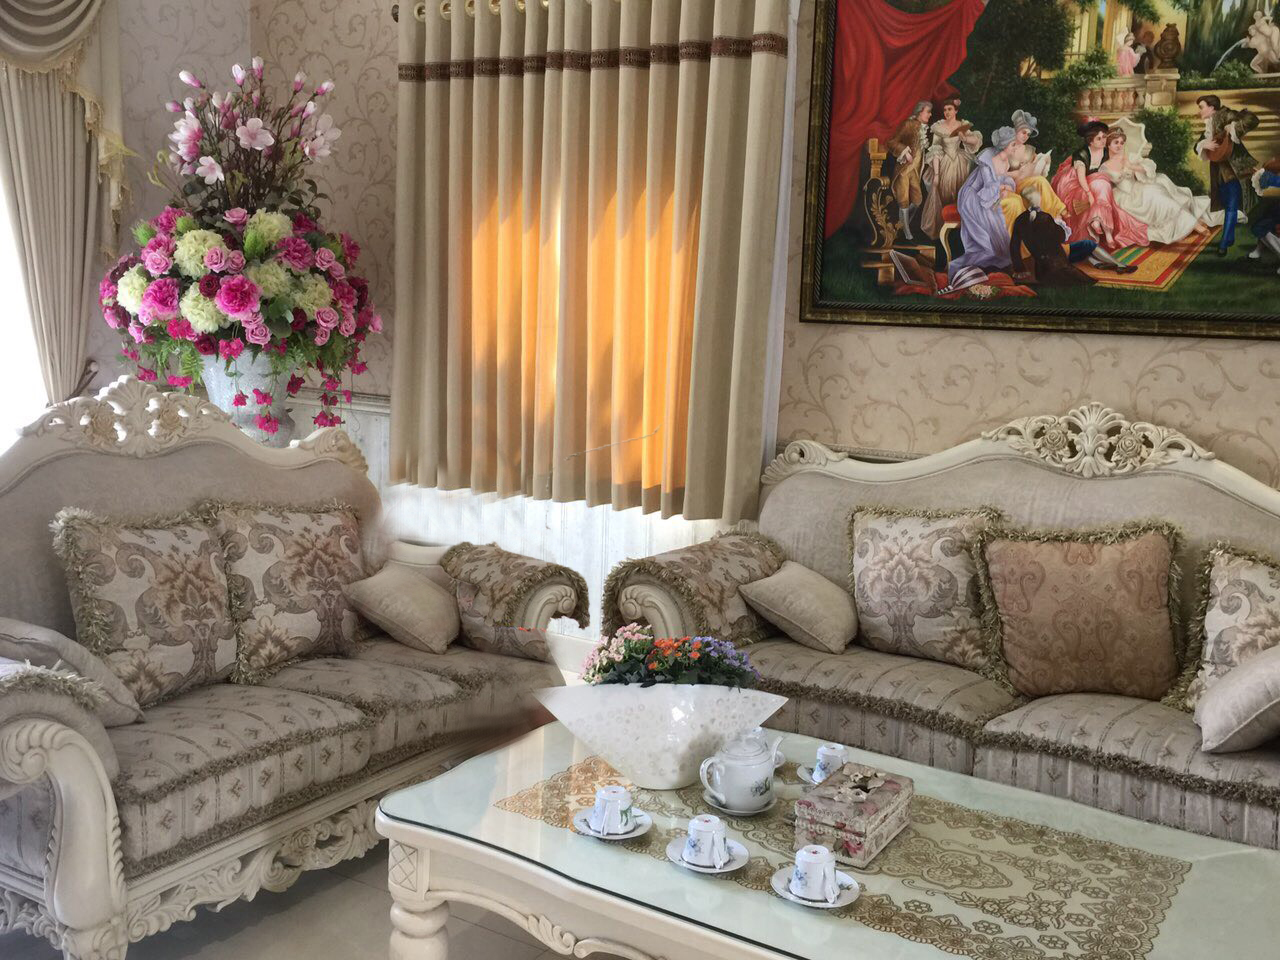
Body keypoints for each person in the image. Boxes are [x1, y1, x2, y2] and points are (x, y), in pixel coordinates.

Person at [1102, 128, 1221, 245]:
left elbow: (1149, 167)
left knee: (1160, 196)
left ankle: (1193, 223)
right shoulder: (1104, 167)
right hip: (1126, 197)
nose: (1119, 145)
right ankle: (1194, 223)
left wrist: (1131, 166)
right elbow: (1105, 186)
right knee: (1157, 200)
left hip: (1139, 188)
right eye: (1116, 142)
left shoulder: (1129, 157)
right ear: (1108, 144)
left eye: (1122, 142)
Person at [1009, 184, 1135, 286]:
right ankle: (1120, 265)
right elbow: (1061, 238)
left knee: (1083, 247)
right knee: (1088, 244)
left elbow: (1014, 246)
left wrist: (1019, 268)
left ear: (1025, 202)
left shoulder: (1020, 220)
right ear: (1039, 200)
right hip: (1058, 265)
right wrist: (1059, 224)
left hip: (1041, 271)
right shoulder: (1045, 218)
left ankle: (1097, 263)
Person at [1051, 120, 1148, 250]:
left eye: (1104, 137)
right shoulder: (1081, 154)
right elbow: (1081, 178)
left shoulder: (1106, 152)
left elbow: (1116, 163)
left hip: (1097, 181)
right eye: (1099, 138)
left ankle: (1101, 226)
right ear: (1090, 141)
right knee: (1101, 185)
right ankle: (1102, 228)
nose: (1103, 141)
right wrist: (1088, 194)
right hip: (1077, 184)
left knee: (1103, 184)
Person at [947, 126, 1020, 279]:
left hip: (988, 197)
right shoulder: (988, 160)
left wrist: (1006, 186)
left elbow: (1005, 180)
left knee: (1000, 239)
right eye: (1013, 144)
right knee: (986, 242)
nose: (1016, 147)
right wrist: (1001, 188)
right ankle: (960, 268)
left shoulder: (1006, 161)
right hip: (972, 197)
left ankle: (995, 271)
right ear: (1005, 145)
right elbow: (988, 188)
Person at [1195, 95, 1260, 256]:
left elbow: (1252, 119)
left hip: (1234, 171)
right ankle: (1229, 238)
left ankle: (1223, 244)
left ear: (1211, 107)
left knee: (1231, 206)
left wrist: (1234, 127)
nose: (1199, 111)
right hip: (1219, 173)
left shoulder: (1226, 115)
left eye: (1201, 107)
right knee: (1226, 205)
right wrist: (1204, 144)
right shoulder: (1208, 126)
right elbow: (1196, 146)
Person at [919, 98, 983, 239]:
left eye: (950, 109)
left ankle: (961, 230)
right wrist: (936, 174)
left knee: (961, 193)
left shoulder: (962, 125)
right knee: (943, 192)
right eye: (945, 110)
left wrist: (965, 139)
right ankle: (944, 227)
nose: (947, 112)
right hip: (944, 163)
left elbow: (975, 140)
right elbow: (935, 150)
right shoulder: (939, 127)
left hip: (960, 163)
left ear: (956, 111)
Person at [1000, 110, 1067, 232]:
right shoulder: (1007, 147)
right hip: (1012, 184)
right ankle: (1058, 212)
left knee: (1040, 180)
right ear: (1016, 130)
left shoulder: (1030, 149)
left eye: (1028, 134)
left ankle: (1054, 215)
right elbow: (999, 173)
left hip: (1027, 182)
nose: (1025, 136)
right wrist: (1018, 173)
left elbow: (1038, 167)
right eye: (1023, 132)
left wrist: (1045, 161)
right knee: (1039, 181)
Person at [887, 100, 932, 241]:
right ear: (919, 112)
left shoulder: (923, 127)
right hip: (903, 170)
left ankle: (902, 224)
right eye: (928, 112)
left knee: (918, 200)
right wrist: (905, 153)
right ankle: (907, 233)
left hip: (915, 171)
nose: (930, 115)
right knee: (904, 200)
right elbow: (892, 142)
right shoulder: (908, 124)